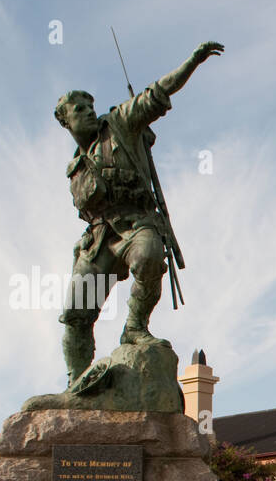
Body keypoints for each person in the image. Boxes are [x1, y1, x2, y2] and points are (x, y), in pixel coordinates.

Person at [53, 41, 223, 387]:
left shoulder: (120, 123)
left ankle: (134, 328)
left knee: (148, 256)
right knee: (76, 314)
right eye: (79, 109)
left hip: (135, 224)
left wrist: (193, 60)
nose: (89, 112)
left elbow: (156, 93)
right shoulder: (76, 165)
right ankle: (77, 381)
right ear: (65, 121)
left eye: (90, 106)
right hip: (99, 239)